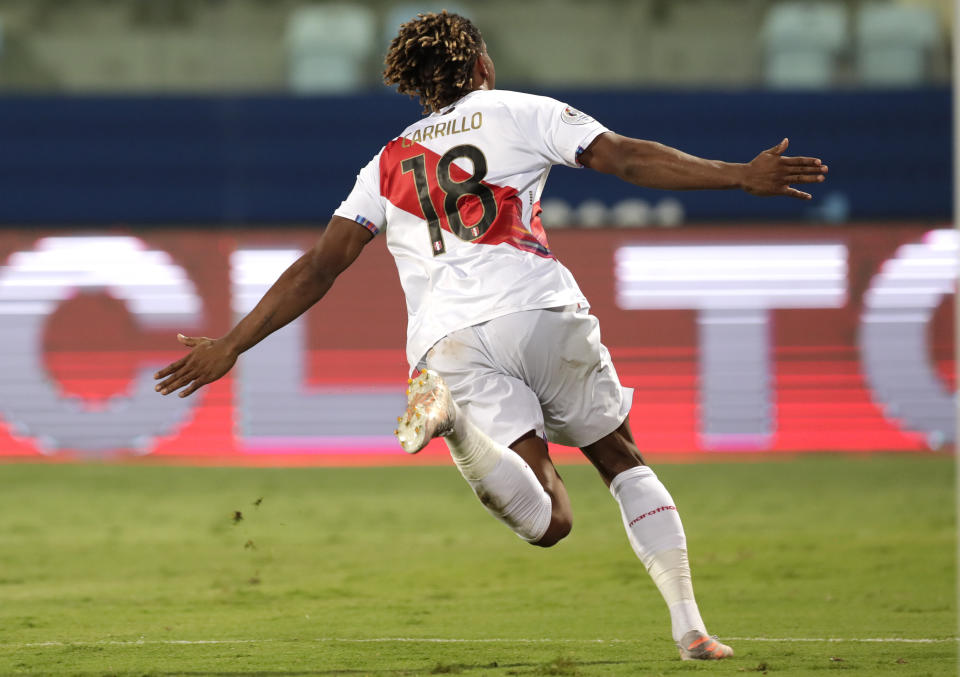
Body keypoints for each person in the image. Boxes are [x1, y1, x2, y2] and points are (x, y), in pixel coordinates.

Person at [154, 11, 828, 660]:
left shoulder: (386, 163)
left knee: (550, 519)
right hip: (537, 309)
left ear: (419, 85)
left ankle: (455, 427)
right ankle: (691, 631)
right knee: (619, 456)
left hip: (446, 340)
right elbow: (623, 159)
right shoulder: (519, 110)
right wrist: (739, 174)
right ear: (480, 63)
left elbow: (320, 266)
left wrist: (233, 344)